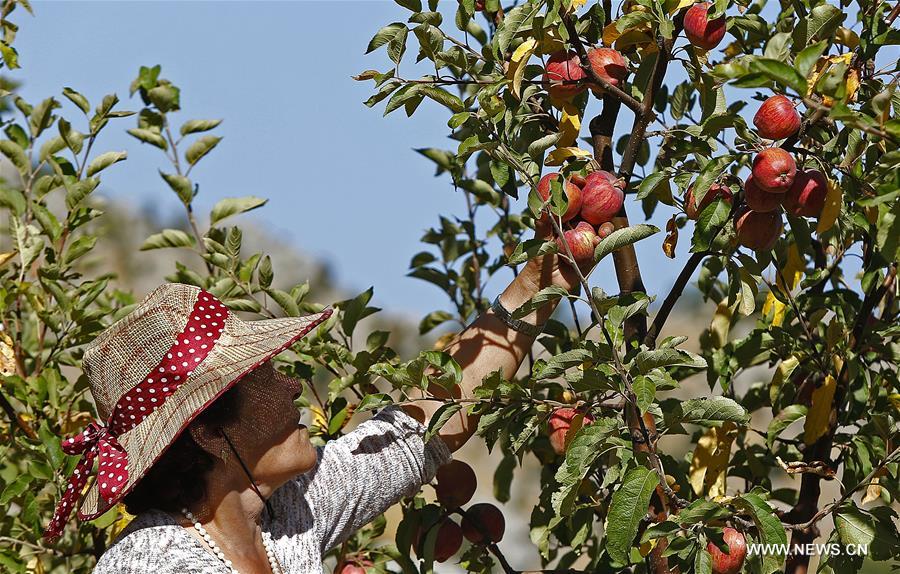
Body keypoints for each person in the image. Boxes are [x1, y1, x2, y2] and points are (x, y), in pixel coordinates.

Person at [44, 224, 585, 573]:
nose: (292, 386)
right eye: (263, 377)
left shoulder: (287, 515)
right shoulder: (153, 564)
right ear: (209, 432)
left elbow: (420, 433)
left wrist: (537, 283)